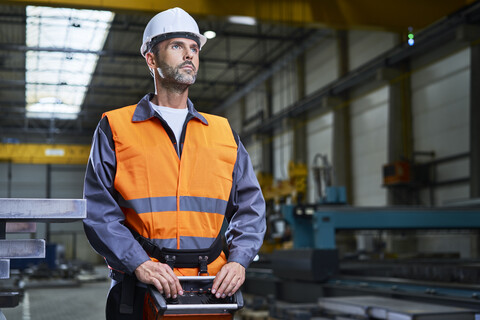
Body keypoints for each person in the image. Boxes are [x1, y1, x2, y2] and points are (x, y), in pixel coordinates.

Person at [83, 7, 266, 319]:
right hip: (141, 291)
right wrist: (138, 262)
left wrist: (239, 260)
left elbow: (251, 206)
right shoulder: (115, 127)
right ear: (151, 59)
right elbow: (98, 210)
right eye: (177, 46)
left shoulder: (222, 133)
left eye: (194, 48)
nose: (189, 55)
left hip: (211, 292)